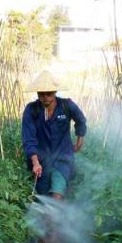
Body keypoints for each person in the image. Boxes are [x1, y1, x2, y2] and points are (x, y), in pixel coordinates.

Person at [21, 70, 87, 200]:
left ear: (55, 92)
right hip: (41, 161)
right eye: (42, 93)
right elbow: (29, 139)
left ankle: (57, 214)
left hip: (63, 157)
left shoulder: (66, 105)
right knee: (43, 194)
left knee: (57, 193)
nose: (45, 97)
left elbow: (81, 119)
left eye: (49, 93)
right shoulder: (31, 110)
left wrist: (80, 138)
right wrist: (35, 162)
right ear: (37, 93)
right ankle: (49, 215)